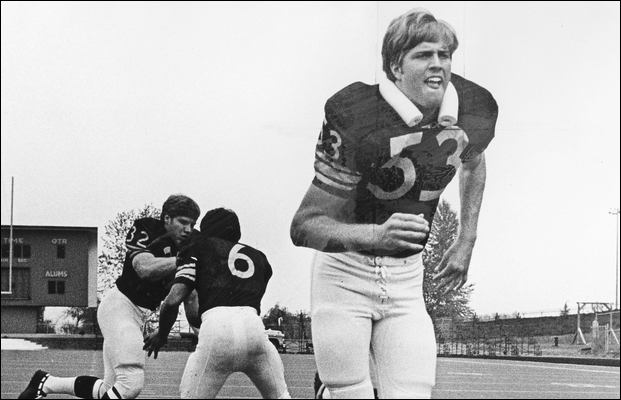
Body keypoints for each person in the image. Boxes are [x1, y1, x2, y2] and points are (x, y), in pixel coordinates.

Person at [290, 8, 498, 399]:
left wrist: (467, 237)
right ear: (394, 67)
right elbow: (304, 225)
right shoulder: (357, 115)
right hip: (345, 272)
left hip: (406, 277)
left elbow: (474, 161)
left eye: (444, 54)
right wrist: (375, 234)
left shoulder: (474, 108)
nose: (438, 65)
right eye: (423, 55)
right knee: (349, 392)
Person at [19, 194, 201, 399]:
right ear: (167, 218)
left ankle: (45, 383)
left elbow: (187, 295)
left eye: (192, 224)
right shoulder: (148, 229)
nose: (188, 229)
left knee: (108, 389)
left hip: (137, 316)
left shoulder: (193, 243)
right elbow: (144, 268)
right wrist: (181, 262)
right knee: (130, 384)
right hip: (119, 309)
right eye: (183, 222)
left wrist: (196, 331)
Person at [143, 207, 290, 399]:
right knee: (281, 396)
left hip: (216, 331)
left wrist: (162, 335)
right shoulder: (259, 257)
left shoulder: (196, 249)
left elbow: (173, 301)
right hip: (255, 331)